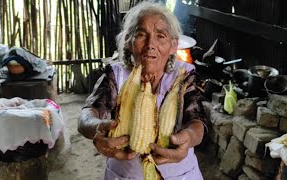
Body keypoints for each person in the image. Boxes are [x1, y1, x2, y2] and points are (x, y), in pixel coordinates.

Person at [78, 1, 207, 179]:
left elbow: (196, 122)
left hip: (179, 174)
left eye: (160, 36)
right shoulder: (116, 75)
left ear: (173, 46)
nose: (150, 44)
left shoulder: (184, 76)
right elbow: (86, 116)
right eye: (141, 34)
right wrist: (97, 128)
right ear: (129, 42)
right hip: (124, 174)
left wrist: (188, 138)